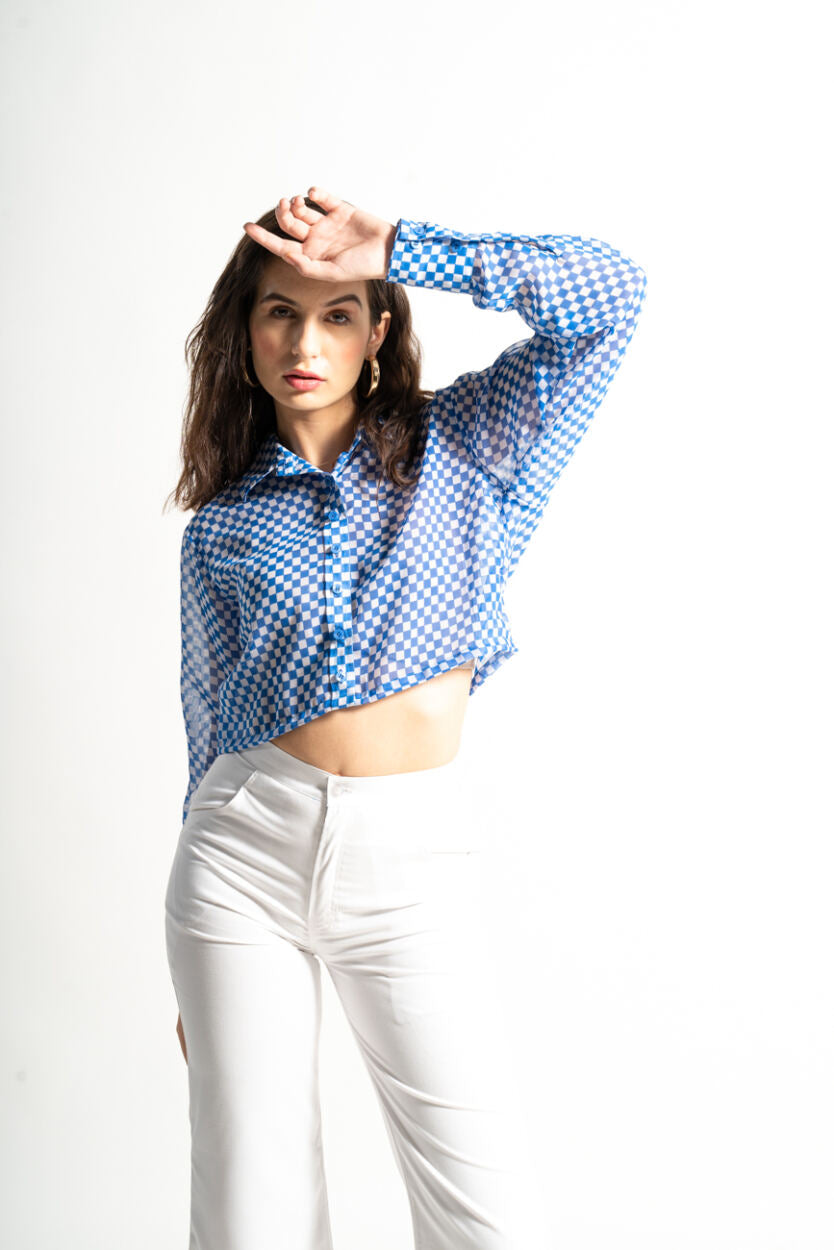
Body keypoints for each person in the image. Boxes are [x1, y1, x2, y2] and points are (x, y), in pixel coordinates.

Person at [164, 186, 647, 1249]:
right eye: (280, 312)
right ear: (246, 333)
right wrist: (192, 984)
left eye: (336, 312)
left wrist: (393, 246)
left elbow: (611, 294)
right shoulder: (222, 528)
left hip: (408, 863)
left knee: (488, 1219)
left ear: (377, 330)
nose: (305, 341)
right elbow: (205, 730)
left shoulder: (467, 447)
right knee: (251, 1211)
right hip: (240, 860)